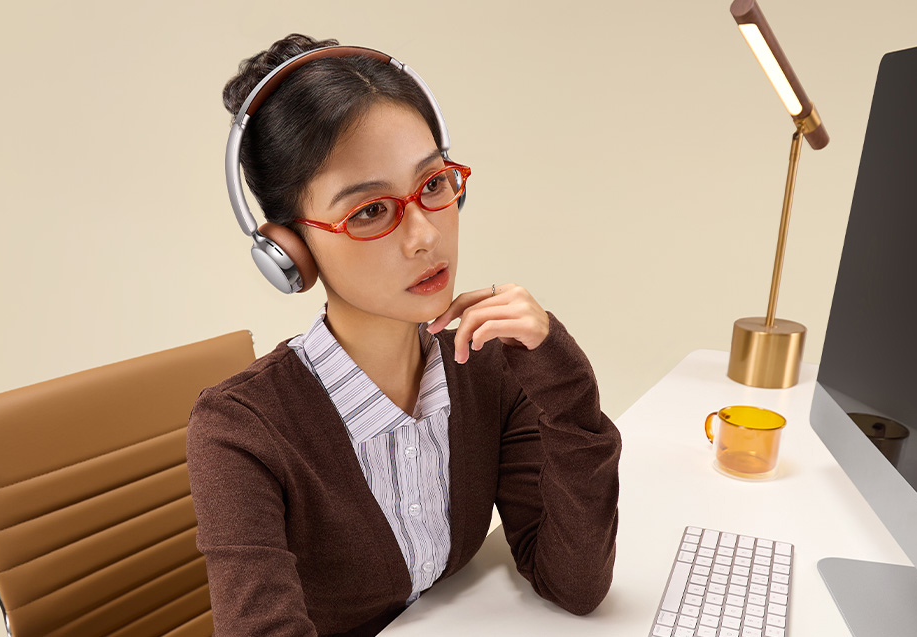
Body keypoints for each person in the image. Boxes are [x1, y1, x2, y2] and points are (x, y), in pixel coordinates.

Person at [186, 33, 622, 637]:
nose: (423, 236)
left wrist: (562, 376)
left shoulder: (487, 363)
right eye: (370, 211)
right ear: (289, 250)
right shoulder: (238, 431)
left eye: (434, 184)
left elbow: (574, 584)